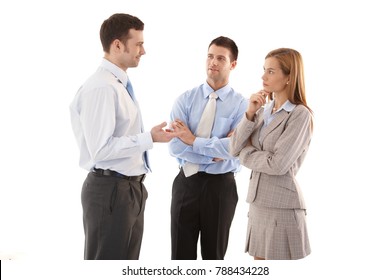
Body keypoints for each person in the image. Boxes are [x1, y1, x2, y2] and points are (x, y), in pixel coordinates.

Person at [69, 13, 177, 260]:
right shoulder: (102, 87)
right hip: (111, 191)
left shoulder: (117, 84)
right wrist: (148, 138)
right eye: (138, 43)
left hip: (128, 190)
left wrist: (150, 137)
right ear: (117, 45)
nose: (143, 50)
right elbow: (101, 149)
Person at [169, 36, 248, 260]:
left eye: (220, 58)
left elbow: (236, 150)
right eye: (210, 56)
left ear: (232, 65)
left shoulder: (243, 106)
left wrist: (192, 140)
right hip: (186, 183)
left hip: (220, 188)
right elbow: (175, 145)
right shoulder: (185, 100)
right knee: (180, 257)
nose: (213, 62)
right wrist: (216, 152)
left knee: (214, 257)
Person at [229, 48, 313, 260]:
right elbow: (233, 148)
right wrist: (249, 113)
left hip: (282, 207)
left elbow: (278, 164)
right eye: (264, 70)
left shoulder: (299, 114)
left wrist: (245, 154)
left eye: (271, 72)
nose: (263, 76)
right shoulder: (261, 111)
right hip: (258, 203)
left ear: (288, 77)